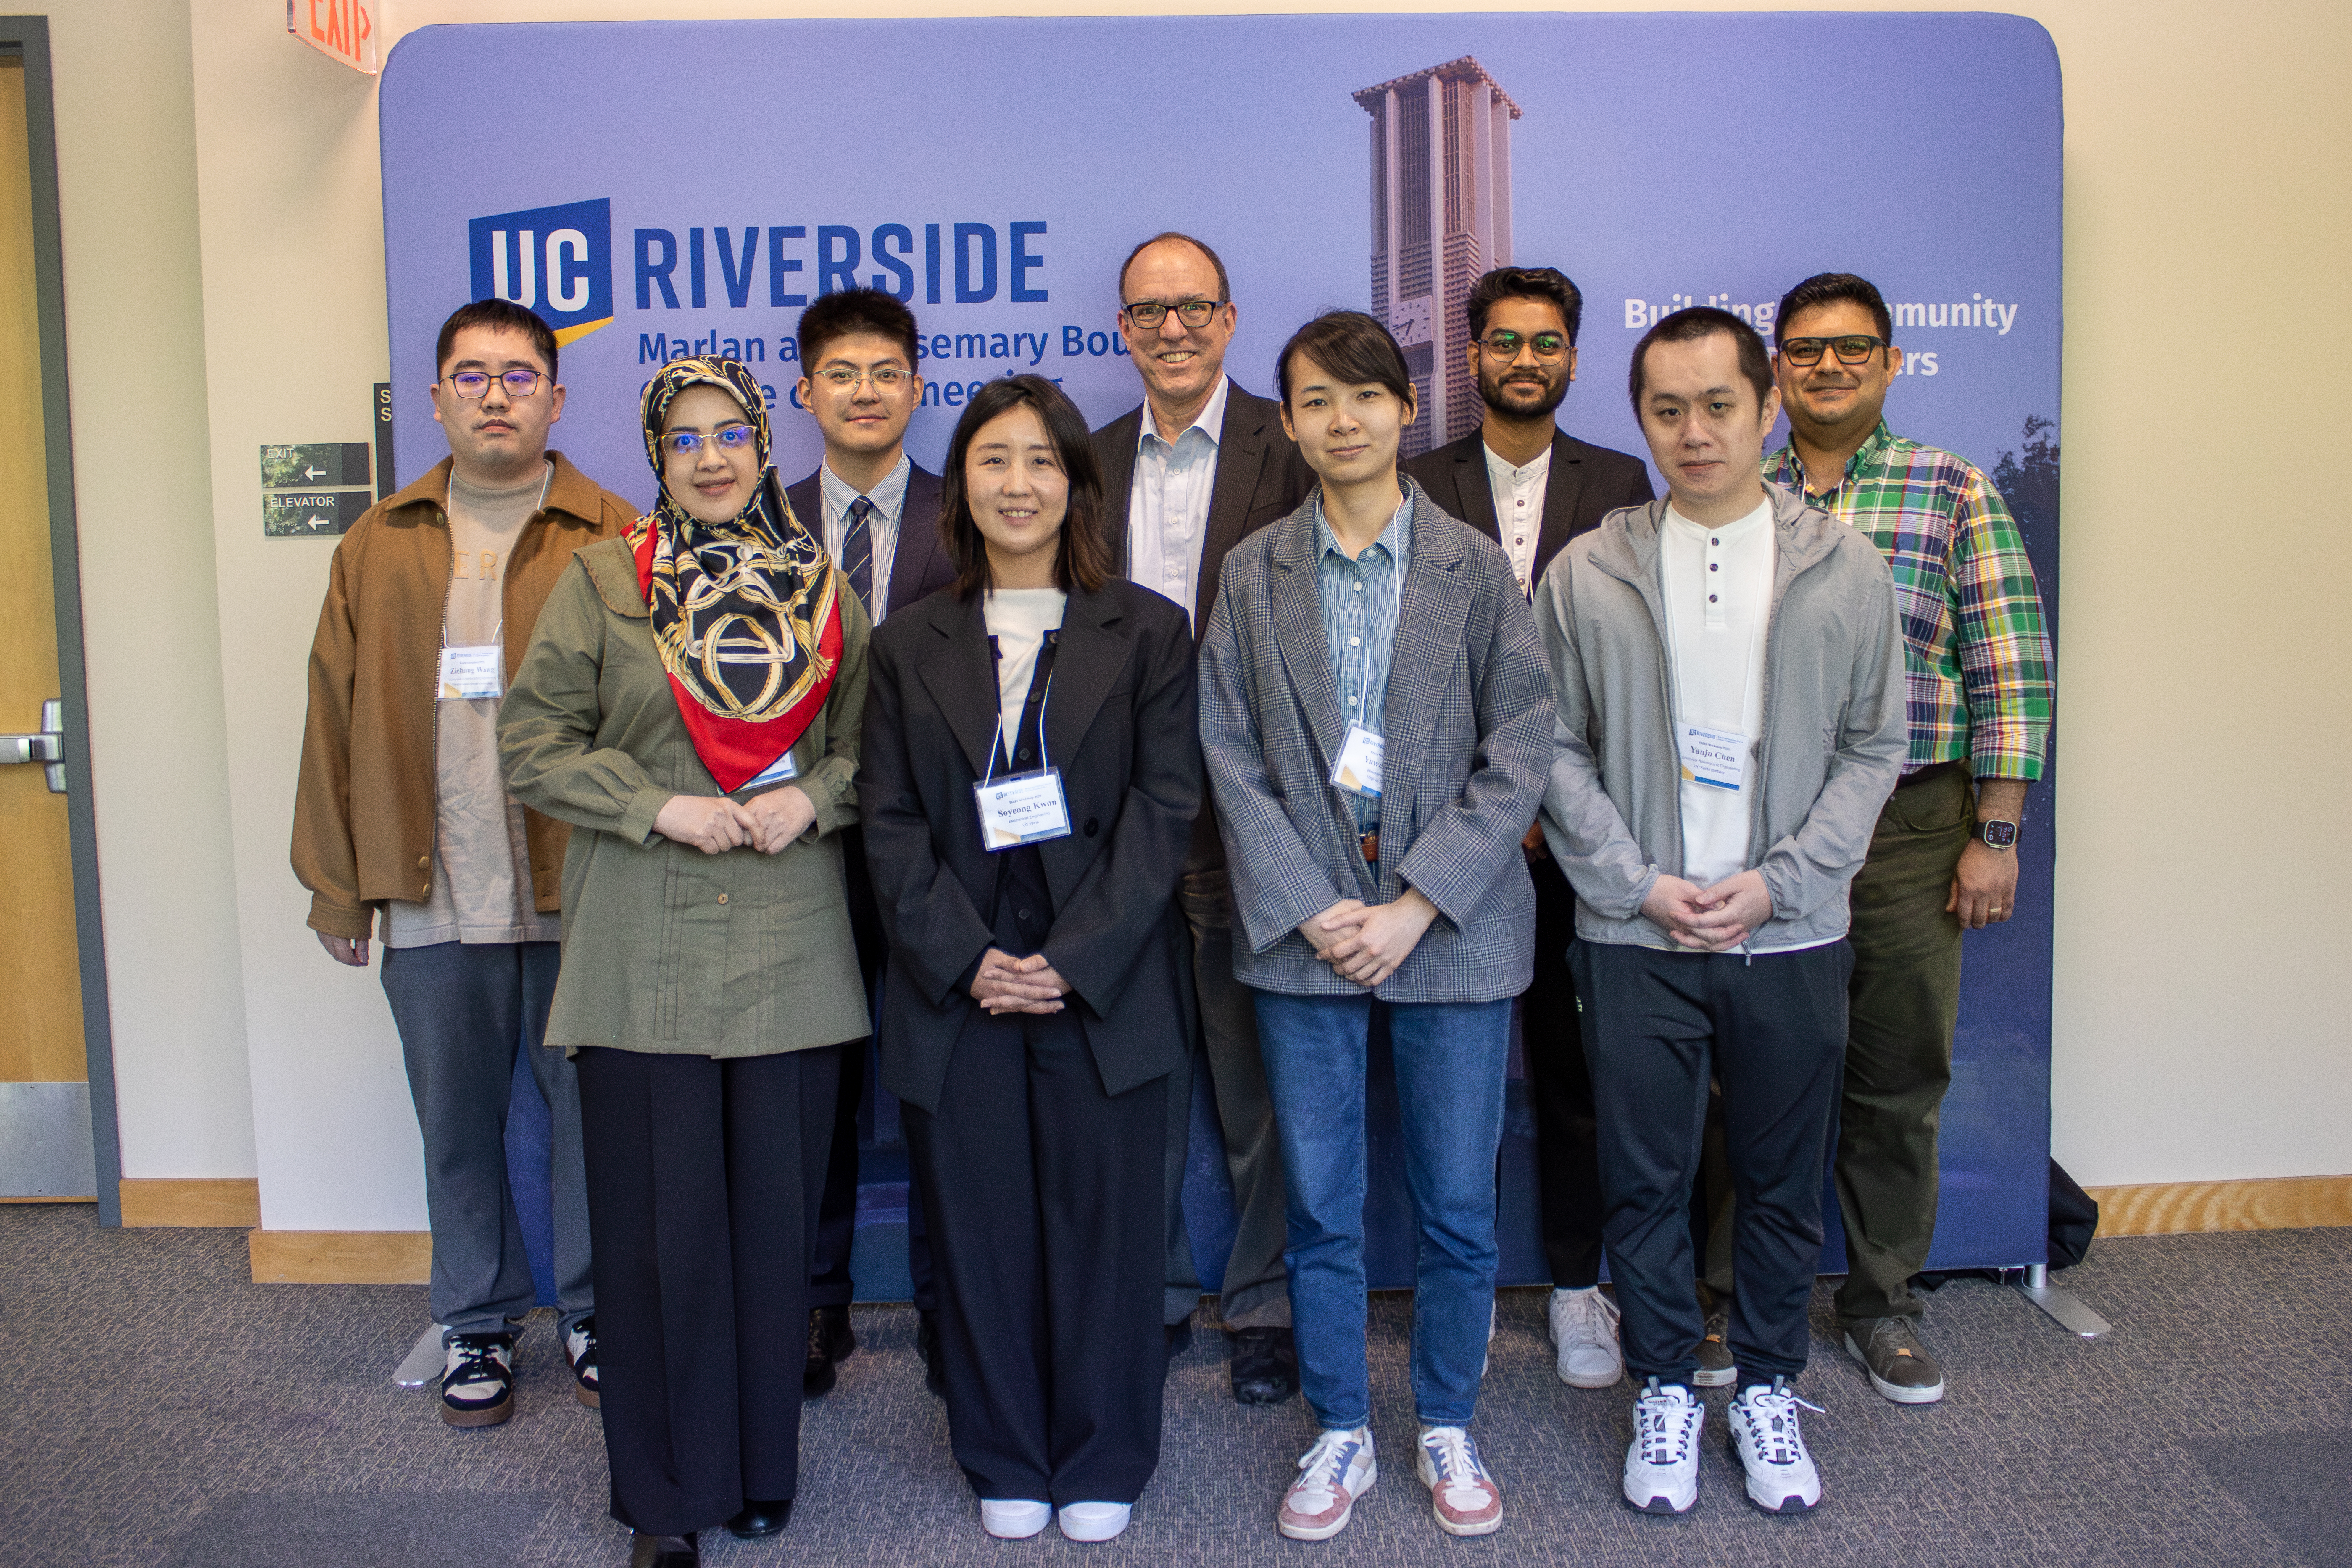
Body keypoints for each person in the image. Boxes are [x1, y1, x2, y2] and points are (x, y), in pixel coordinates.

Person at [499, 356, 872, 1568]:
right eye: (685, 441)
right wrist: (656, 805)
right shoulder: (604, 580)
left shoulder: (824, 590)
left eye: (733, 438)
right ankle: (667, 1495)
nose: (712, 460)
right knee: (659, 1245)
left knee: (773, 1235)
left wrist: (810, 799)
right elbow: (533, 742)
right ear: (657, 458)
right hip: (641, 951)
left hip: (790, 951)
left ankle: (763, 1468)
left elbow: (872, 753)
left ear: (767, 447)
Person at [1533, 307, 1905, 1517]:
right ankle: (1663, 1386)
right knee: (1643, 1178)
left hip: (1789, 932)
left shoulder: (1844, 566)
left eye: (1718, 407)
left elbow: (1873, 745)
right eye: (1667, 410)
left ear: (1767, 407)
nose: (1694, 433)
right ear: (1639, 417)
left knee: (1780, 1175)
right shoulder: (1587, 569)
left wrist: (1781, 882)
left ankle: (1766, 1385)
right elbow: (1552, 744)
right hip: (1637, 933)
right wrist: (1635, 880)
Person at [1199, 310, 1557, 1541]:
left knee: (1460, 1201)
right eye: (1313, 401)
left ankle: (1447, 1415)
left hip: (1448, 929)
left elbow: (1523, 749)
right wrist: (1314, 907)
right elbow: (1228, 753)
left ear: (1407, 409)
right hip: (1306, 935)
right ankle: (1342, 1423)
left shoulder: (1472, 566)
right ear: (1288, 421)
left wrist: (1415, 902)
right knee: (1320, 1201)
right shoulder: (1253, 573)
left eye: (1364, 397)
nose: (1340, 421)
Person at [859, 374, 1198, 1545]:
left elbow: (1166, 806)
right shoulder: (910, 642)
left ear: (1076, 483)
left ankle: (1104, 1451)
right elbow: (889, 817)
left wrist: (1071, 956)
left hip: (1102, 987)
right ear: (964, 487)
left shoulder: (1148, 629)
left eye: (1042, 461)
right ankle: (1003, 1449)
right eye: (994, 460)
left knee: (1109, 1236)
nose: (1019, 482)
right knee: (983, 1230)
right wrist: (971, 956)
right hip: (962, 992)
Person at [292, 297, 631, 1428]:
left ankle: (594, 1310)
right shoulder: (378, 541)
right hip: (432, 890)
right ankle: (475, 1321)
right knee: (456, 1121)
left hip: (577, 889)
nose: (496, 393)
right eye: (473, 374)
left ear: (555, 396)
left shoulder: (614, 533)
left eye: (519, 374)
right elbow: (332, 721)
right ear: (437, 395)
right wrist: (338, 883)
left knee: (592, 1115)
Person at [1765, 272, 2055, 1404]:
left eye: (1851, 349)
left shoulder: (1952, 489)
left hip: (1911, 821)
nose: (1827, 367)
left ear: (1893, 363)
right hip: (1769, 822)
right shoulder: (1735, 490)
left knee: (1896, 1071)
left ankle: (1882, 1300)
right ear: (1774, 365)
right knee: (1761, 1073)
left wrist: (1997, 829)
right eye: (1804, 348)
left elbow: (2010, 668)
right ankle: (1748, 1299)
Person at [1403, 264, 1655, 1393]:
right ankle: (1420, 1287)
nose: (1525, 360)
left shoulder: (1622, 480)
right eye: (1505, 341)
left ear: (1572, 356)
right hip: (1444, 832)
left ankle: (1572, 1286)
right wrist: (1481, 815)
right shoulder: (1414, 480)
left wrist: (1553, 807)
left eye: (1547, 342)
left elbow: (1626, 666)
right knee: (1432, 1075)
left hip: (1572, 835)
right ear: (1474, 357)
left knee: (1571, 1071)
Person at [1090, 231, 1316, 1402]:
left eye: (1193, 308)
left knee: (1255, 1073)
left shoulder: (1297, 441)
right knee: (1138, 1066)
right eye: (1147, 312)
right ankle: (1162, 1288)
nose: (1171, 329)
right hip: (1123, 820)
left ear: (1230, 320)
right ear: (1120, 330)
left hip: (1255, 813)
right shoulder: (1081, 462)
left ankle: (1265, 1298)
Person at [782, 286, 958, 1399]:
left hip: (946, 853)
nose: (862, 391)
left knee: (946, 1085)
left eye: (884, 371)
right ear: (805, 392)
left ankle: (952, 1307)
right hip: (801, 855)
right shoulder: (751, 527)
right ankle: (814, 1302)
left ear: (916, 387)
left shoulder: (973, 510)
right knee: (815, 1095)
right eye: (840, 373)